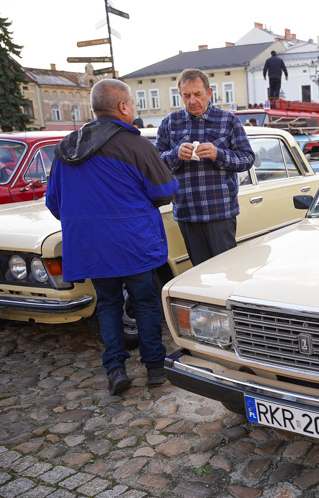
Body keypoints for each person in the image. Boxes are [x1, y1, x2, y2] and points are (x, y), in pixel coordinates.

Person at [45, 79, 177, 396]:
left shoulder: (67, 147)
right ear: (122, 107)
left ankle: (115, 370)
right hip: (134, 244)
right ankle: (155, 369)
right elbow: (165, 191)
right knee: (145, 305)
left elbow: (54, 202)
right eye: (133, 104)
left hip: (92, 246)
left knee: (107, 305)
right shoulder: (136, 145)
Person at [156, 68, 255, 266]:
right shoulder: (169, 123)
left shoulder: (228, 120)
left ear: (209, 93)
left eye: (198, 94)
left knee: (227, 270)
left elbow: (247, 159)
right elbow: (155, 164)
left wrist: (218, 154)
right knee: (198, 274)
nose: (192, 101)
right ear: (180, 96)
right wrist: (175, 155)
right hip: (187, 211)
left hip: (220, 211)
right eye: (187, 96)